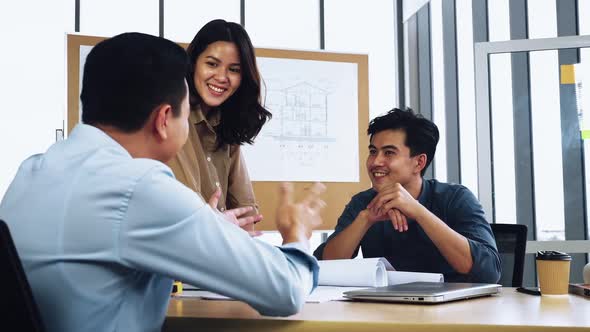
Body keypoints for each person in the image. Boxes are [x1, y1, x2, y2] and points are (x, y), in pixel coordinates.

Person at [0, 32, 325, 332]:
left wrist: (205, 224)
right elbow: (284, 290)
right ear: (163, 120)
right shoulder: (138, 186)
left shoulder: (33, 171)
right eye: (185, 114)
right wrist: (297, 235)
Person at [313, 108, 501, 283]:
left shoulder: (456, 198)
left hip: (454, 312)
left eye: (388, 153)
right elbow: (325, 267)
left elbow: (489, 271)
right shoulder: (363, 202)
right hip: (385, 310)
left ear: (419, 163)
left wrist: (419, 212)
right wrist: (365, 219)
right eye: (373, 152)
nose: (376, 161)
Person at [168, 19, 269, 232]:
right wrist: (218, 223)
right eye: (212, 64)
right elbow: (187, 215)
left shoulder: (226, 125)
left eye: (234, 69)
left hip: (220, 255)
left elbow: (246, 215)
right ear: (193, 63)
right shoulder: (173, 119)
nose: (222, 77)